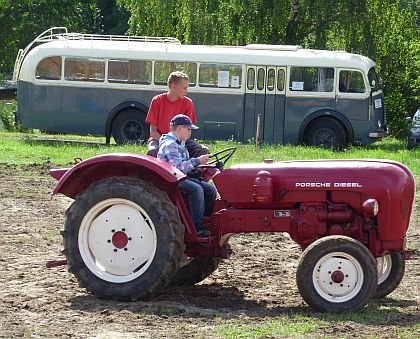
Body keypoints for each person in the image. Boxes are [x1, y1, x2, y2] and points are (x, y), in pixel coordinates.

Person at [158, 114, 216, 238]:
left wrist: (200, 167)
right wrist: (197, 161)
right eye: (188, 129)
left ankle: (206, 220)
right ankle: (197, 227)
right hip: (171, 180)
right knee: (196, 189)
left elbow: (185, 166)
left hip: (180, 177)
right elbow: (176, 168)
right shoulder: (169, 145)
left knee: (210, 189)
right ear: (179, 128)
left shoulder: (180, 144)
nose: (190, 132)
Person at [145, 71, 208, 159]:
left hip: (181, 140)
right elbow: (153, 132)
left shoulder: (188, 103)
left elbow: (187, 131)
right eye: (184, 88)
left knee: (202, 150)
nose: (187, 91)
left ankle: (195, 172)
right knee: (153, 151)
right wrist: (169, 143)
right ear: (174, 87)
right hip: (158, 139)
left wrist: (177, 144)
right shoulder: (157, 101)